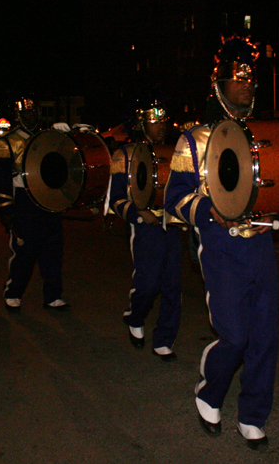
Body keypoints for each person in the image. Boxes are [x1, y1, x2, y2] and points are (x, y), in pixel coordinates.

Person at [165, 36, 278, 450]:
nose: (247, 85)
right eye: (238, 79)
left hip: (261, 244)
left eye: (251, 80)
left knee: (264, 335)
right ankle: (209, 392)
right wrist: (205, 210)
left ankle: (253, 415)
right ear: (218, 86)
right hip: (220, 244)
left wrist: (275, 210)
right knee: (234, 335)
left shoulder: (263, 137)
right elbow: (174, 198)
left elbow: (274, 186)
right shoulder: (193, 140)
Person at [108, 97, 182, 361]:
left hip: (171, 225)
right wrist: (138, 213)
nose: (161, 126)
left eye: (163, 121)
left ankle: (164, 339)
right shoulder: (124, 154)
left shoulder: (174, 152)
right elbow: (115, 200)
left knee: (173, 285)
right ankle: (135, 315)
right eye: (154, 121)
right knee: (148, 283)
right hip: (144, 227)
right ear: (142, 124)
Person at [0, 99, 75, 312]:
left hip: (48, 199)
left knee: (53, 249)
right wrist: (5, 208)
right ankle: (13, 293)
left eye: (34, 112)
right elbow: (0, 179)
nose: (31, 116)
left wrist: (64, 137)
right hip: (24, 201)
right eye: (26, 113)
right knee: (25, 250)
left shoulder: (45, 137)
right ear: (18, 116)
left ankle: (53, 296)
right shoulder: (7, 142)